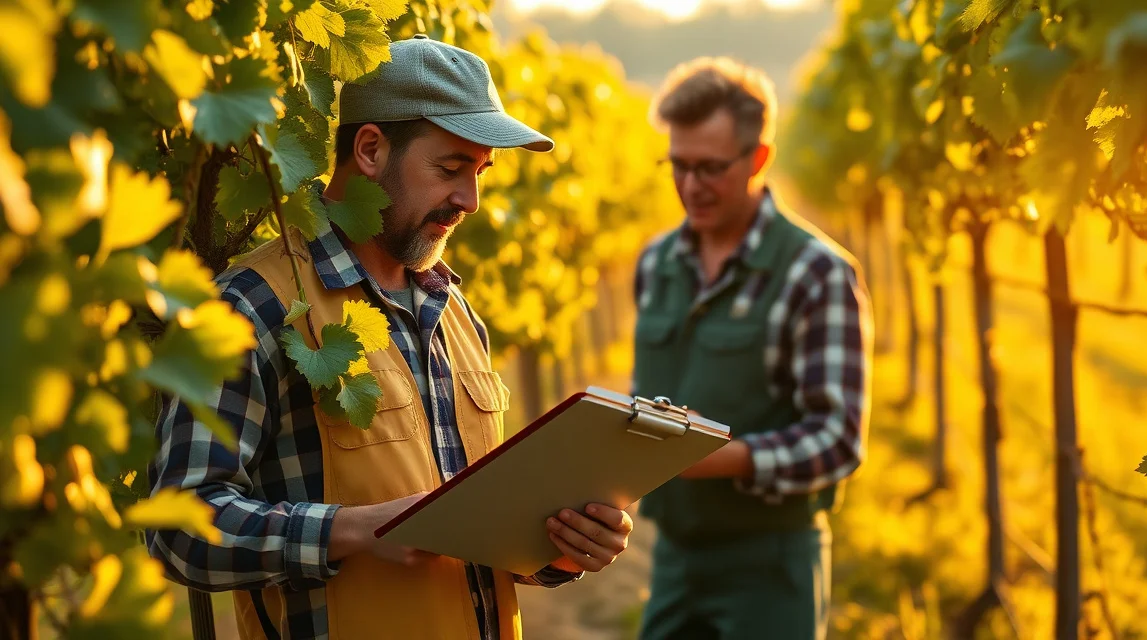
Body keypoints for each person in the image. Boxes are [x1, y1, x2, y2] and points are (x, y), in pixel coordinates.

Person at [145, 35, 633, 640]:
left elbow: (475, 533)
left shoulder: (454, 311)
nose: (470, 200)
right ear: (371, 150)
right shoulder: (250, 307)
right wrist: (354, 530)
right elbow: (178, 529)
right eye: (450, 169)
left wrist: (558, 549)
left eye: (480, 172)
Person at [631, 57, 873, 640]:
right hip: (675, 557)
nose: (692, 186)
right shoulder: (656, 263)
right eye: (679, 165)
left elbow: (839, 439)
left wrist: (724, 456)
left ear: (759, 158)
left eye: (711, 168)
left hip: (770, 562)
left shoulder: (816, 273)